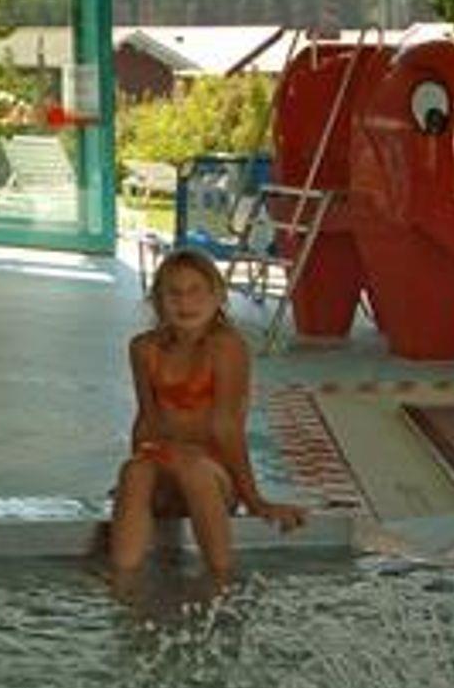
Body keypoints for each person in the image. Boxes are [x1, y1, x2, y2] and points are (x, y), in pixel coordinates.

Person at [108, 248, 307, 583]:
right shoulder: (143, 348)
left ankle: (220, 581)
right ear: (158, 301)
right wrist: (133, 480)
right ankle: (124, 585)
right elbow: (147, 420)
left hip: (213, 477)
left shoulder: (226, 347)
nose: (185, 303)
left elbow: (226, 428)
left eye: (196, 291)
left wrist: (253, 500)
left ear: (217, 297)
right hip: (166, 469)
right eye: (174, 293)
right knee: (134, 472)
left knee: (192, 466)